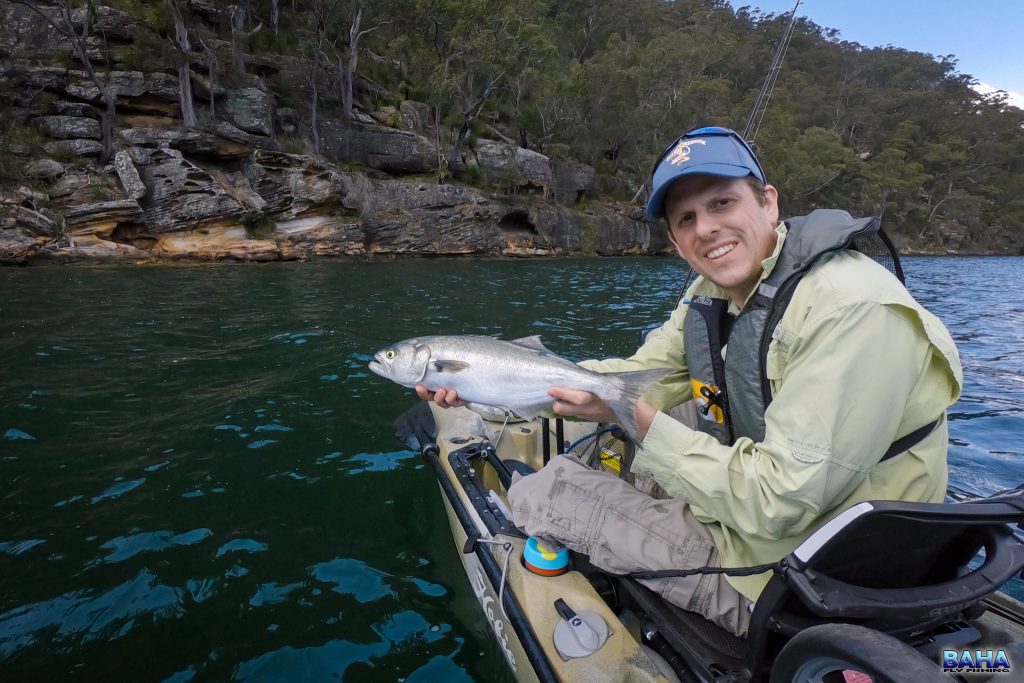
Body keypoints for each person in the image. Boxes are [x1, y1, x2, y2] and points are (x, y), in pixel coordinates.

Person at [418, 126, 963, 637]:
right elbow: (637, 378)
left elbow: (779, 502)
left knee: (545, 490)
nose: (706, 229)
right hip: (787, 519)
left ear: (768, 202)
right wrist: (499, 381)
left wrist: (644, 427)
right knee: (668, 414)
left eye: (722, 203)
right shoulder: (711, 292)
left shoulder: (851, 310)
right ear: (676, 241)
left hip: (812, 575)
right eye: (685, 219)